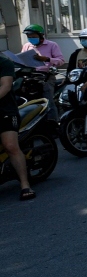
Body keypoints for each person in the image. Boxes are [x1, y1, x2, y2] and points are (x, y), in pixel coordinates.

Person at [0, 53, 34, 200]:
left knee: (10, 146)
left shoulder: (4, 63)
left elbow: (6, 86)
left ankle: (25, 184)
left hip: (5, 111)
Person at [21, 24, 65, 120]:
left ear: (41, 36)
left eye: (33, 37)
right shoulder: (27, 46)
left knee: (48, 102)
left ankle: (53, 124)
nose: (31, 39)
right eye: (29, 37)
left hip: (46, 77)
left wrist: (47, 59)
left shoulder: (52, 45)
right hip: (30, 77)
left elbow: (61, 61)